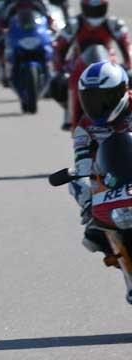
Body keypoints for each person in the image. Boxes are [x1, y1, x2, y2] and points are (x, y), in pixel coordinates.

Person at [68, 61, 132, 302]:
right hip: (111, 180)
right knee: (74, 182)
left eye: (105, 98)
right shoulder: (85, 127)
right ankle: (96, 221)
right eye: (91, 99)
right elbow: (82, 164)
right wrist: (87, 194)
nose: (98, 106)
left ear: (123, 90)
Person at [53, 0, 132, 129]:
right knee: (57, 83)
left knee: (129, 78)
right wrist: (59, 69)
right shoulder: (74, 23)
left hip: (109, 63)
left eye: (98, 9)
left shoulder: (113, 23)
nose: (94, 13)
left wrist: (128, 66)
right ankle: (70, 113)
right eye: (91, 10)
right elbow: (60, 47)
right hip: (79, 63)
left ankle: (126, 115)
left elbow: (126, 45)